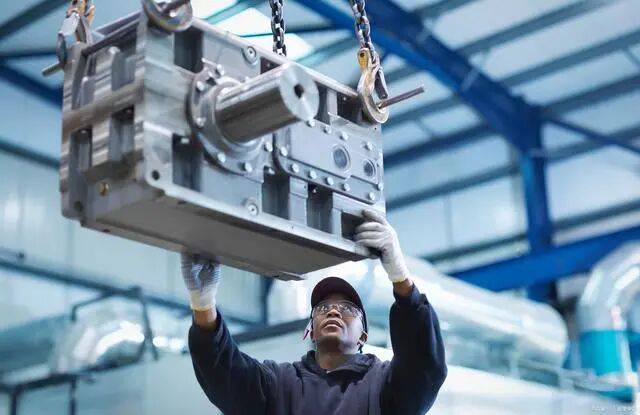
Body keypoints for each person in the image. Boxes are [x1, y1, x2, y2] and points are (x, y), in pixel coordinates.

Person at [182, 209, 447, 414]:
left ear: (363, 336)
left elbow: (423, 365)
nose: (333, 312)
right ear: (310, 329)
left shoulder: (382, 384)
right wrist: (203, 304)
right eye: (323, 308)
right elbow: (224, 375)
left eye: (347, 308)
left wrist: (400, 276)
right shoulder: (280, 384)